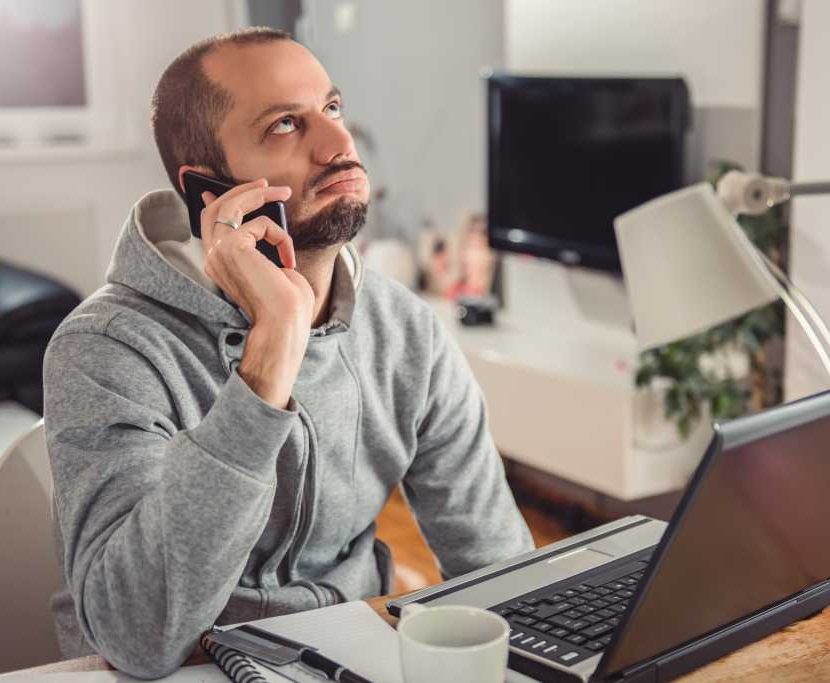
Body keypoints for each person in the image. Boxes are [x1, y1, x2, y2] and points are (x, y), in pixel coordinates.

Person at [42, 27, 533, 678]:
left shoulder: (407, 331)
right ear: (209, 194)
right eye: (284, 125)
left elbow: (500, 572)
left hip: (349, 656)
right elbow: (137, 635)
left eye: (330, 107)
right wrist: (271, 351)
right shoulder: (106, 348)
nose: (340, 143)